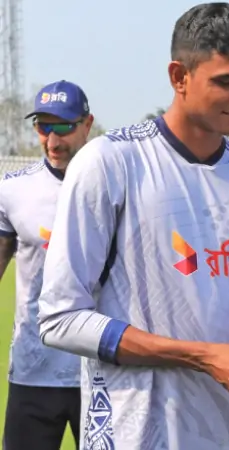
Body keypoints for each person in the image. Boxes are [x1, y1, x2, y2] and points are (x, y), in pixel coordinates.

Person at [36, 4, 229, 449]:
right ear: (179, 76)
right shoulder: (111, 163)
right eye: (226, 81)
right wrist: (200, 357)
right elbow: (60, 318)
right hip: (135, 432)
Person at [0, 80, 93, 450]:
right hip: (33, 373)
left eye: (64, 127)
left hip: (101, 372)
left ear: (87, 124)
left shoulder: (119, 185)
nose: (53, 141)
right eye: (43, 126)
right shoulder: (13, 191)